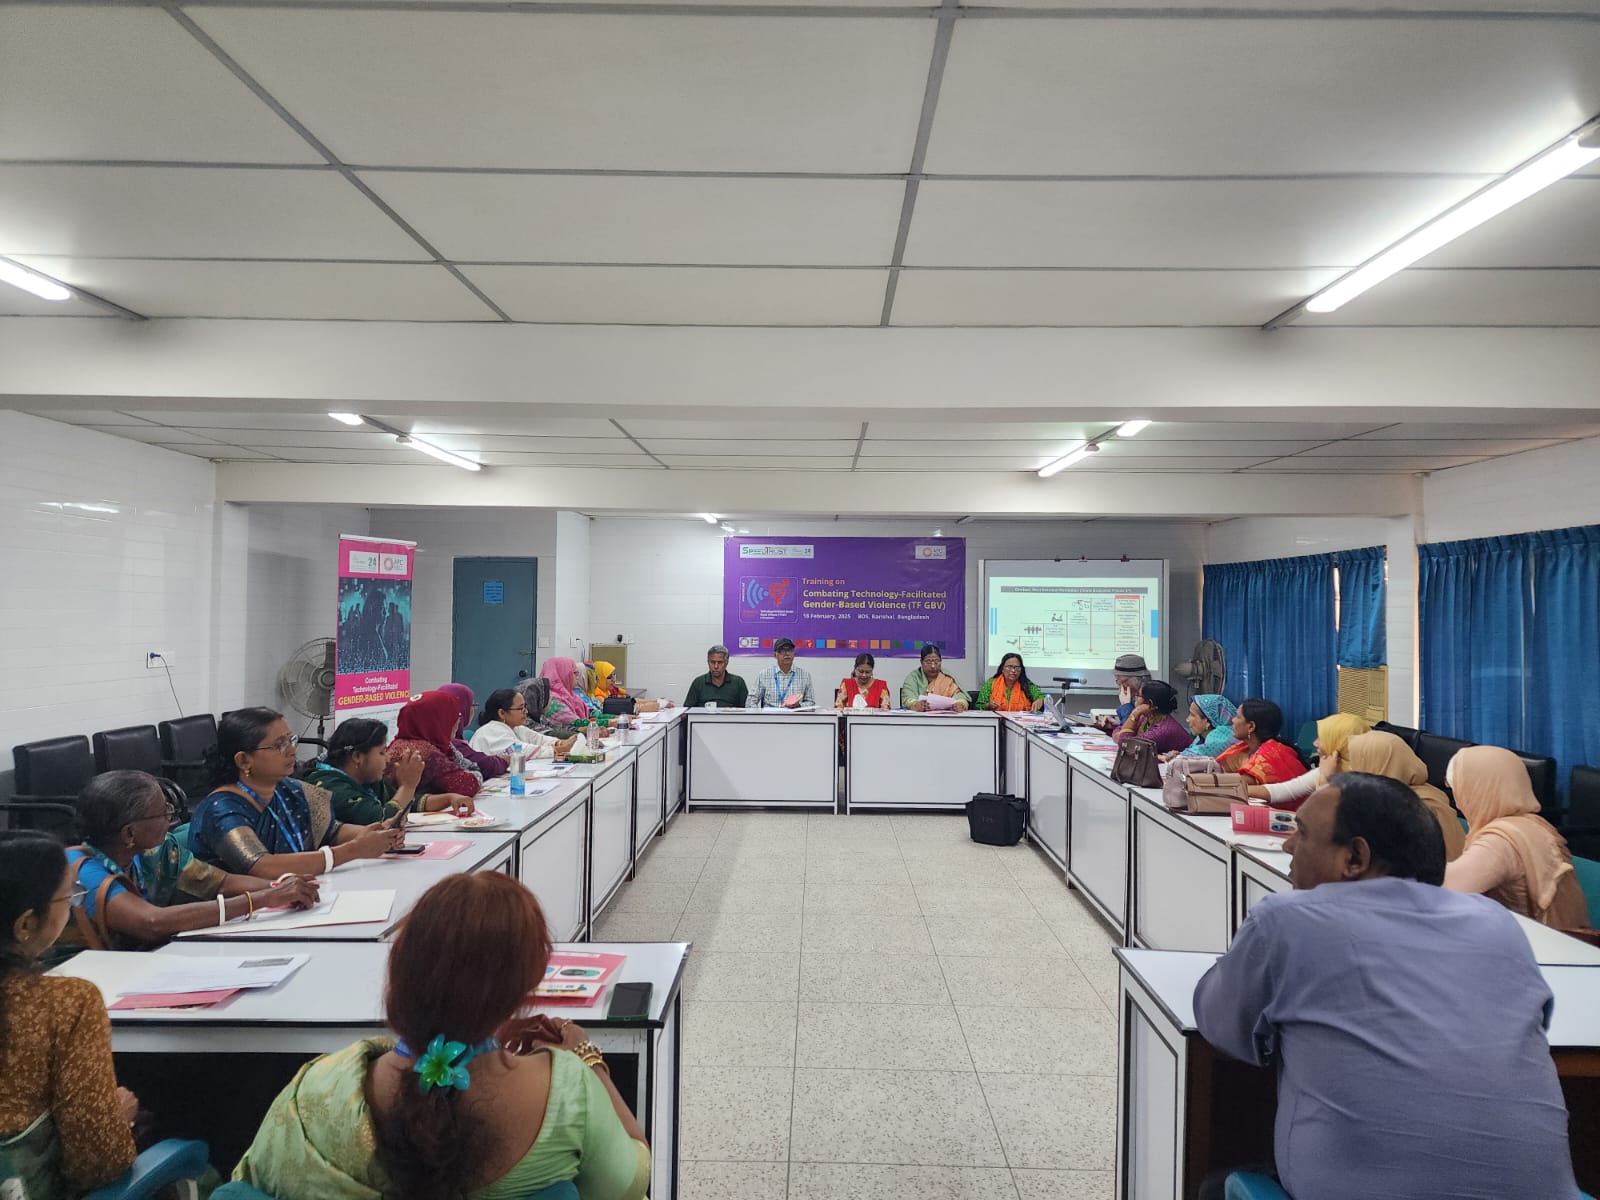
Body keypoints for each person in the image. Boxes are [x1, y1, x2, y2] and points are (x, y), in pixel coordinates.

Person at [1194, 774, 1581, 1200]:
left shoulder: (1286, 920)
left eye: (1301, 833)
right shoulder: (1495, 923)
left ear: (1355, 857)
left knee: (1214, 1181)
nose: (1288, 846)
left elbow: (1224, 1026)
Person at [233, 873, 650, 1200]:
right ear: (527, 984)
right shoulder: (567, 1092)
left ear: (400, 969)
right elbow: (630, 1182)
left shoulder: (315, 1091)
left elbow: (251, 1182)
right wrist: (588, 1059)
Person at [0, 831, 139, 1195]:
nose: (73, 904)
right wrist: (116, 1116)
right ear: (26, 924)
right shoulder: (66, 1003)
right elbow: (98, 1162)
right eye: (69, 896)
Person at [63, 770, 320, 950]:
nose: (170, 818)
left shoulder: (156, 852)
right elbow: (151, 922)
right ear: (129, 833)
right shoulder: (79, 872)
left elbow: (221, 883)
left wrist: (283, 886)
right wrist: (263, 899)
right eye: (163, 812)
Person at [189, 707, 404, 878]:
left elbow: (330, 831)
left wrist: (372, 834)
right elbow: (261, 866)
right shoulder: (221, 809)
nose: (292, 751)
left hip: (296, 897)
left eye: (291, 740)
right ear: (244, 760)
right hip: (244, 911)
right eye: (279, 745)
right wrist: (352, 851)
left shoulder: (291, 789)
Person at [1444, 745, 1590, 929]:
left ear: (1476, 791)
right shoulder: (1533, 824)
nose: (1458, 801)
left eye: (1458, 790)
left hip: (1534, 942)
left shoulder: (1500, 841)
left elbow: (1444, 891)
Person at [306, 719, 472, 826]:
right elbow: (384, 821)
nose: (387, 758)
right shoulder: (329, 786)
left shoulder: (367, 779)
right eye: (382, 752)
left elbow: (409, 802)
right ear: (357, 757)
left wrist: (449, 798)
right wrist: (407, 785)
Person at [1342, 730, 1466, 861]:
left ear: (1378, 766)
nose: (1350, 769)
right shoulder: (1389, 799)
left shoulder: (1417, 809)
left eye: (1355, 763)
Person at [1246, 713, 1370, 806]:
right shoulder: (1329, 766)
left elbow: (1325, 818)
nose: (1315, 743)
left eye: (1323, 739)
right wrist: (1239, 790)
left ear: (1339, 744)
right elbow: (1286, 790)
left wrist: (1326, 781)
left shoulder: (1365, 783)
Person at [386, 691, 487, 803]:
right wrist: (476, 774)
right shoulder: (425, 753)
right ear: (436, 719)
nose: (458, 720)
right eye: (452, 715)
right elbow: (469, 785)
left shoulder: (399, 743)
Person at [1213, 698, 1307, 788]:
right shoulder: (1245, 750)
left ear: (1251, 726)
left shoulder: (1270, 754)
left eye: (1237, 716)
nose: (1232, 720)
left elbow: (1238, 783)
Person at [469, 689, 580, 760]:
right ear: (502, 713)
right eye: (520, 708)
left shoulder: (515, 728)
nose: (526, 712)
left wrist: (561, 743)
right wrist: (559, 750)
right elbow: (520, 751)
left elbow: (538, 739)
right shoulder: (492, 731)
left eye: (525, 707)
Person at [438, 683, 508, 779]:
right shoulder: (448, 742)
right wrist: (503, 761)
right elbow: (485, 766)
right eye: (520, 708)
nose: (525, 712)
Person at [1111, 679, 1193, 754]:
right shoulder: (1147, 717)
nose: (1135, 698)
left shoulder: (1162, 730)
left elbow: (1125, 745)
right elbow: (1121, 735)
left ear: (1150, 703)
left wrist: (1134, 714)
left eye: (1138, 695)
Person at [748, 638, 815, 709]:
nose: (787, 654)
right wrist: (760, 714)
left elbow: (811, 702)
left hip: (794, 715)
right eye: (782, 651)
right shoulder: (764, 675)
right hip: (770, 715)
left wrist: (799, 706)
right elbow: (750, 702)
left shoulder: (805, 675)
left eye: (790, 650)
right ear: (775, 655)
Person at [899, 645, 969, 712]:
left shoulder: (946, 677)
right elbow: (907, 698)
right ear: (921, 662)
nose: (933, 666)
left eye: (936, 661)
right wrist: (915, 704)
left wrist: (960, 704)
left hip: (945, 718)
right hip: (919, 718)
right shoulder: (913, 678)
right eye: (928, 662)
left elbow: (960, 696)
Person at [1094, 653, 1151, 731]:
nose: (1119, 686)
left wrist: (1126, 706)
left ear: (1137, 680)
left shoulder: (1148, 700)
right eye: (1117, 681)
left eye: (1122, 681)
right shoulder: (1133, 698)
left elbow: (1130, 734)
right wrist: (1117, 725)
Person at [1174, 694, 1238, 759]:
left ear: (1207, 722)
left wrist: (1176, 757)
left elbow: (1185, 758)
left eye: (1192, 715)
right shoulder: (1200, 738)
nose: (1187, 720)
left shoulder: (1219, 741)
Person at [976, 653, 1046, 713]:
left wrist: (1040, 700)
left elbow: (1041, 696)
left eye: (1017, 667)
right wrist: (988, 706)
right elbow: (978, 706)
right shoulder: (991, 683)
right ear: (1002, 669)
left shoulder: (1026, 684)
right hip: (997, 722)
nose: (1013, 670)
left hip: (1020, 722)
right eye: (1009, 667)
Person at [683, 645, 748, 708]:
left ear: (726, 663)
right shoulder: (698, 682)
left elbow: (747, 709)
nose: (716, 666)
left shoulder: (738, 682)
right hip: (704, 715)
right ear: (708, 662)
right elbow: (687, 709)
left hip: (730, 716)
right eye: (712, 662)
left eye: (720, 662)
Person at [538, 657, 593, 725]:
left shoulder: (571, 696)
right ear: (563, 674)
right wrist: (601, 723)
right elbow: (574, 723)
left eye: (578, 673)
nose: (577, 676)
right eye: (575, 673)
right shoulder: (551, 700)